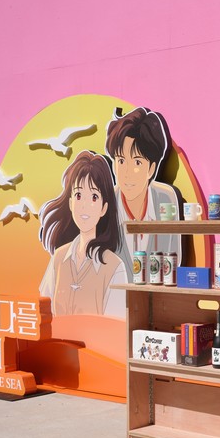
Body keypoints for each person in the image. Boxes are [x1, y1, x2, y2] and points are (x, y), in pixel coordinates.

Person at [39, 150, 127, 317]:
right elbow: (44, 311)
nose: (85, 205)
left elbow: (116, 325)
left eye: (94, 197)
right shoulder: (58, 258)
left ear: (104, 208)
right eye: (79, 195)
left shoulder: (115, 267)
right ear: (71, 203)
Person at [105, 107, 183, 281]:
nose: (127, 173)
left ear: (152, 168)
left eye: (137, 162)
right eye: (121, 160)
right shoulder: (106, 203)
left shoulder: (166, 198)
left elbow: (173, 257)